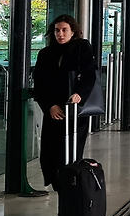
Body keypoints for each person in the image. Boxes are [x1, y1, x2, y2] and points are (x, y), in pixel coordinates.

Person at [32, 15, 97, 190]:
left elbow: (90, 75)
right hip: (54, 110)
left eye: (64, 30)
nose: (60, 34)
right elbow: (39, 85)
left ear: (72, 31)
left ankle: (70, 184)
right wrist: (50, 106)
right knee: (49, 153)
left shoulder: (81, 47)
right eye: (57, 30)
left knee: (69, 150)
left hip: (74, 110)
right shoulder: (46, 54)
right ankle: (57, 184)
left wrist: (80, 94)